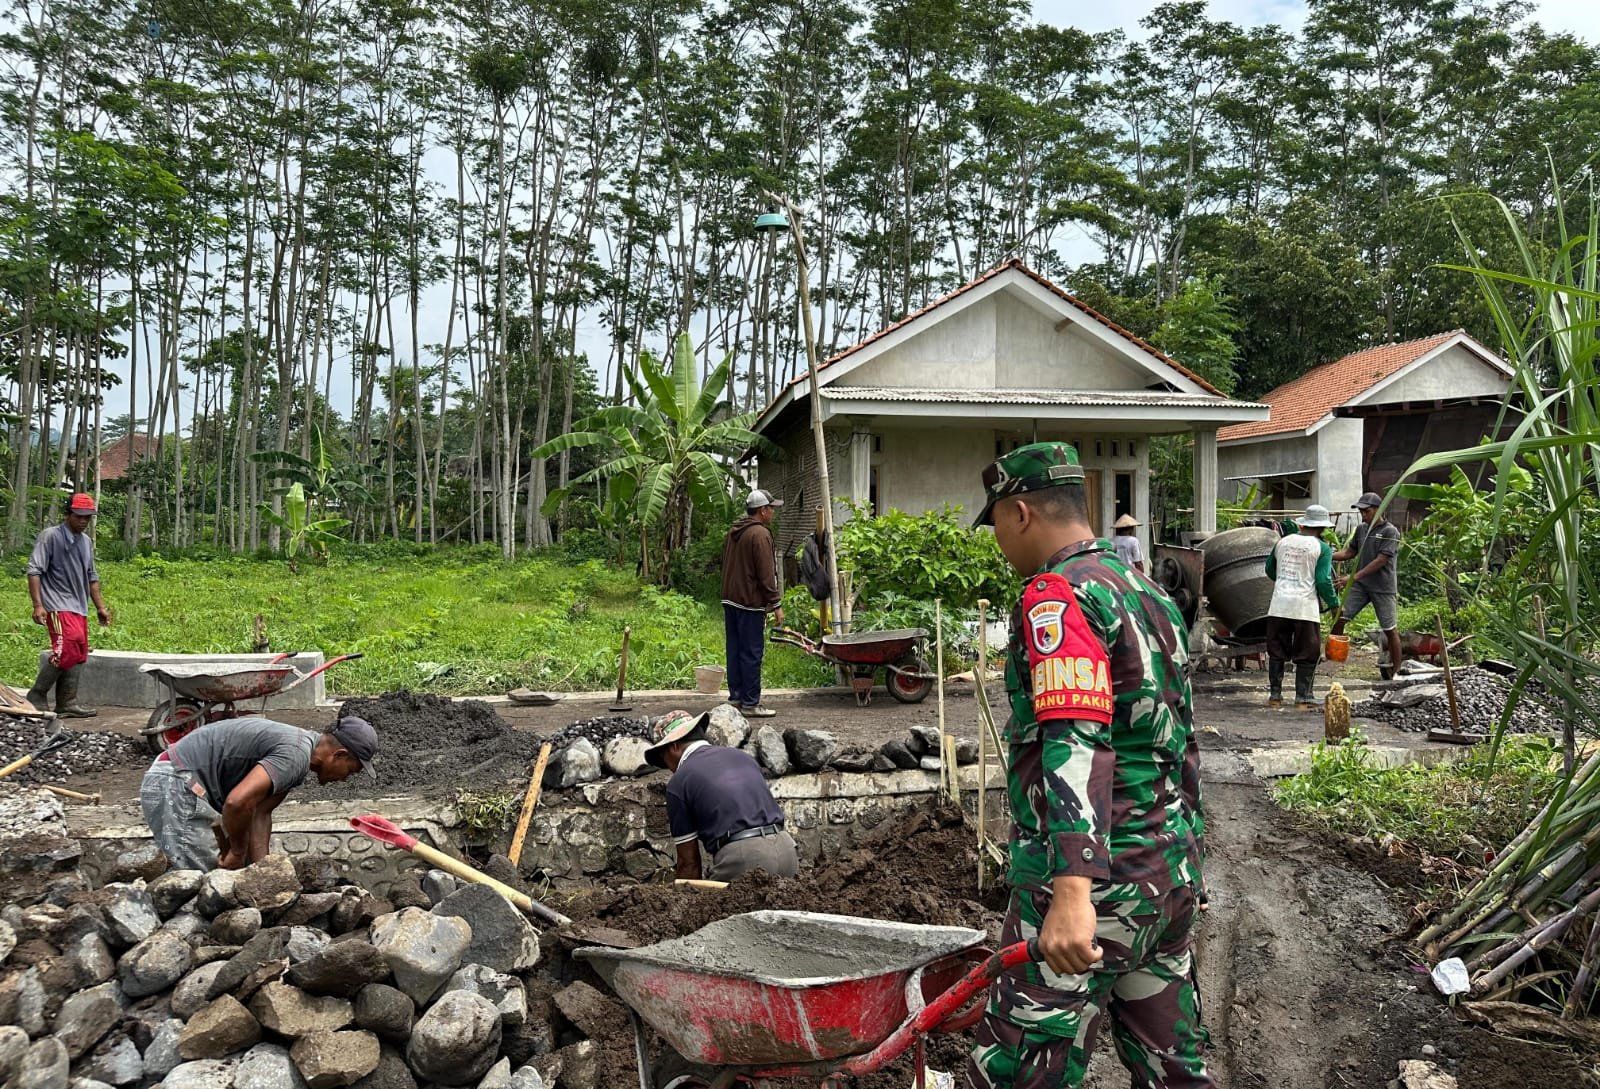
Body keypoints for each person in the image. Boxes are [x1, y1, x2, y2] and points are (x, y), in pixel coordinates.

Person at [969, 442, 1212, 1089]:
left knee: (1019, 1071)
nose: (998, 540)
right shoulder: (1147, 592)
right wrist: (1189, 861)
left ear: (1020, 512)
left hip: (1095, 890)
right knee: (1173, 1068)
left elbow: (1075, 739)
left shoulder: (1058, 595)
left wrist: (1072, 893)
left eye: (995, 522)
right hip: (1165, 876)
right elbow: (1179, 737)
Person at [140, 716, 378, 871]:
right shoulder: (295, 756)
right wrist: (237, 851)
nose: (346, 778)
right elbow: (237, 802)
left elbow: (259, 814)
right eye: (351, 770)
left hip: (181, 779)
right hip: (175, 780)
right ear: (339, 755)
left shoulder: (298, 755)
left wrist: (264, 872)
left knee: (224, 877)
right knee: (200, 881)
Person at [644, 709, 799, 882]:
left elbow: (689, 863)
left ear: (673, 747)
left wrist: (685, 897)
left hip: (744, 859)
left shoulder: (679, 782)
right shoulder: (743, 758)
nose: (668, 768)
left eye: (664, 759)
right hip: (787, 849)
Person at [25, 492, 112, 717]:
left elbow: (92, 576)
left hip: (78, 605)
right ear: (68, 514)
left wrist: (100, 607)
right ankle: (37, 694)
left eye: (87, 517)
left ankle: (67, 703)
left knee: (79, 653)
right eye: (78, 516)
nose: (83, 521)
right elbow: (34, 570)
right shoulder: (50, 536)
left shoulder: (86, 542)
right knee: (65, 649)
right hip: (56, 604)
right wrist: (38, 605)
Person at [1264, 505, 1339, 711]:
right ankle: (1303, 697)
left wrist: (1284, 582)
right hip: (1304, 608)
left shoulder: (1282, 542)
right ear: (1322, 528)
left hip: (1279, 605)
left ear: (1303, 524)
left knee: (1277, 650)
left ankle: (1275, 696)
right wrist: (1334, 604)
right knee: (1307, 652)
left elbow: (1269, 569)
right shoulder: (1322, 548)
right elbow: (1323, 580)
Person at [721, 489, 784, 718]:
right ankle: (750, 703)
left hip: (731, 599)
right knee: (751, 653)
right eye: (771, 508)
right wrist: (775, 604)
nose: (773, 512)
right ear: (762, 510)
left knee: (735, 650)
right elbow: (766, 574)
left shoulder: (735, 531)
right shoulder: (760, 534)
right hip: (749, 602)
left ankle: (736, 698)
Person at [1331, 492, 1404, 680]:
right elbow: (1350, 552)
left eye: (1367, 511)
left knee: (1389, 629)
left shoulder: (1390, 532)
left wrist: (1352, 577)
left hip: (1383, 587)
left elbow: (1381, 560)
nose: (1363, 515)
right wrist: (1326, 554)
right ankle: (1334, 660)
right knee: (1340, 617)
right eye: (1361, 512)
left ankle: (1397, 671)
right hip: (1361, 585)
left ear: (1379, 510)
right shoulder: (1361, 529)